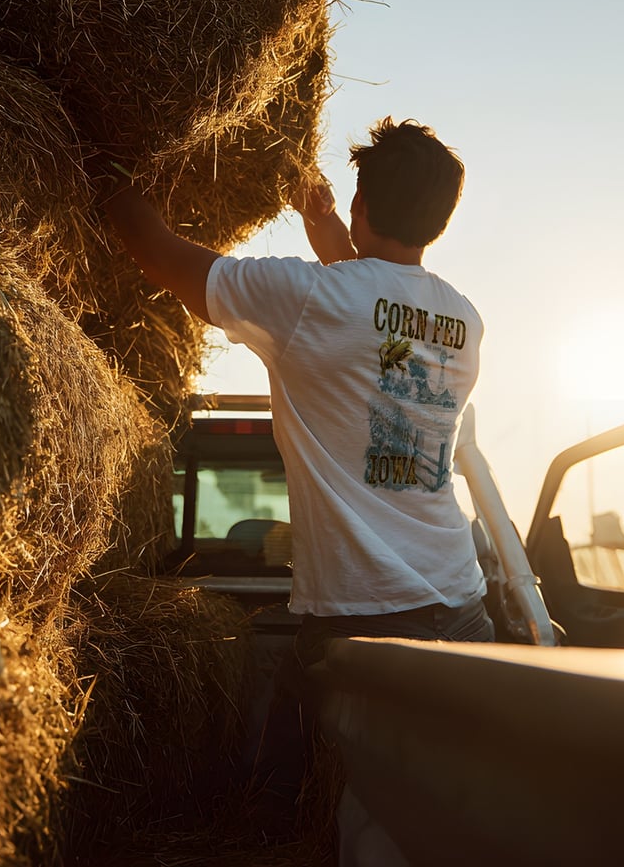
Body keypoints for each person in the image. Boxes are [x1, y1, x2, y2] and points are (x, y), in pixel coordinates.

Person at [103, 117, 494, 863]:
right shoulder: (463, 320)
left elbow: (156, 253)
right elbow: (376, 305)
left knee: (337, 825)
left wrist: (105, 171)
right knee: (433, 827)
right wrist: (328, 230)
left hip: (366, 621)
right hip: (461, 604)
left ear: (361, 202)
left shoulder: (306, 298)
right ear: (440, 216)